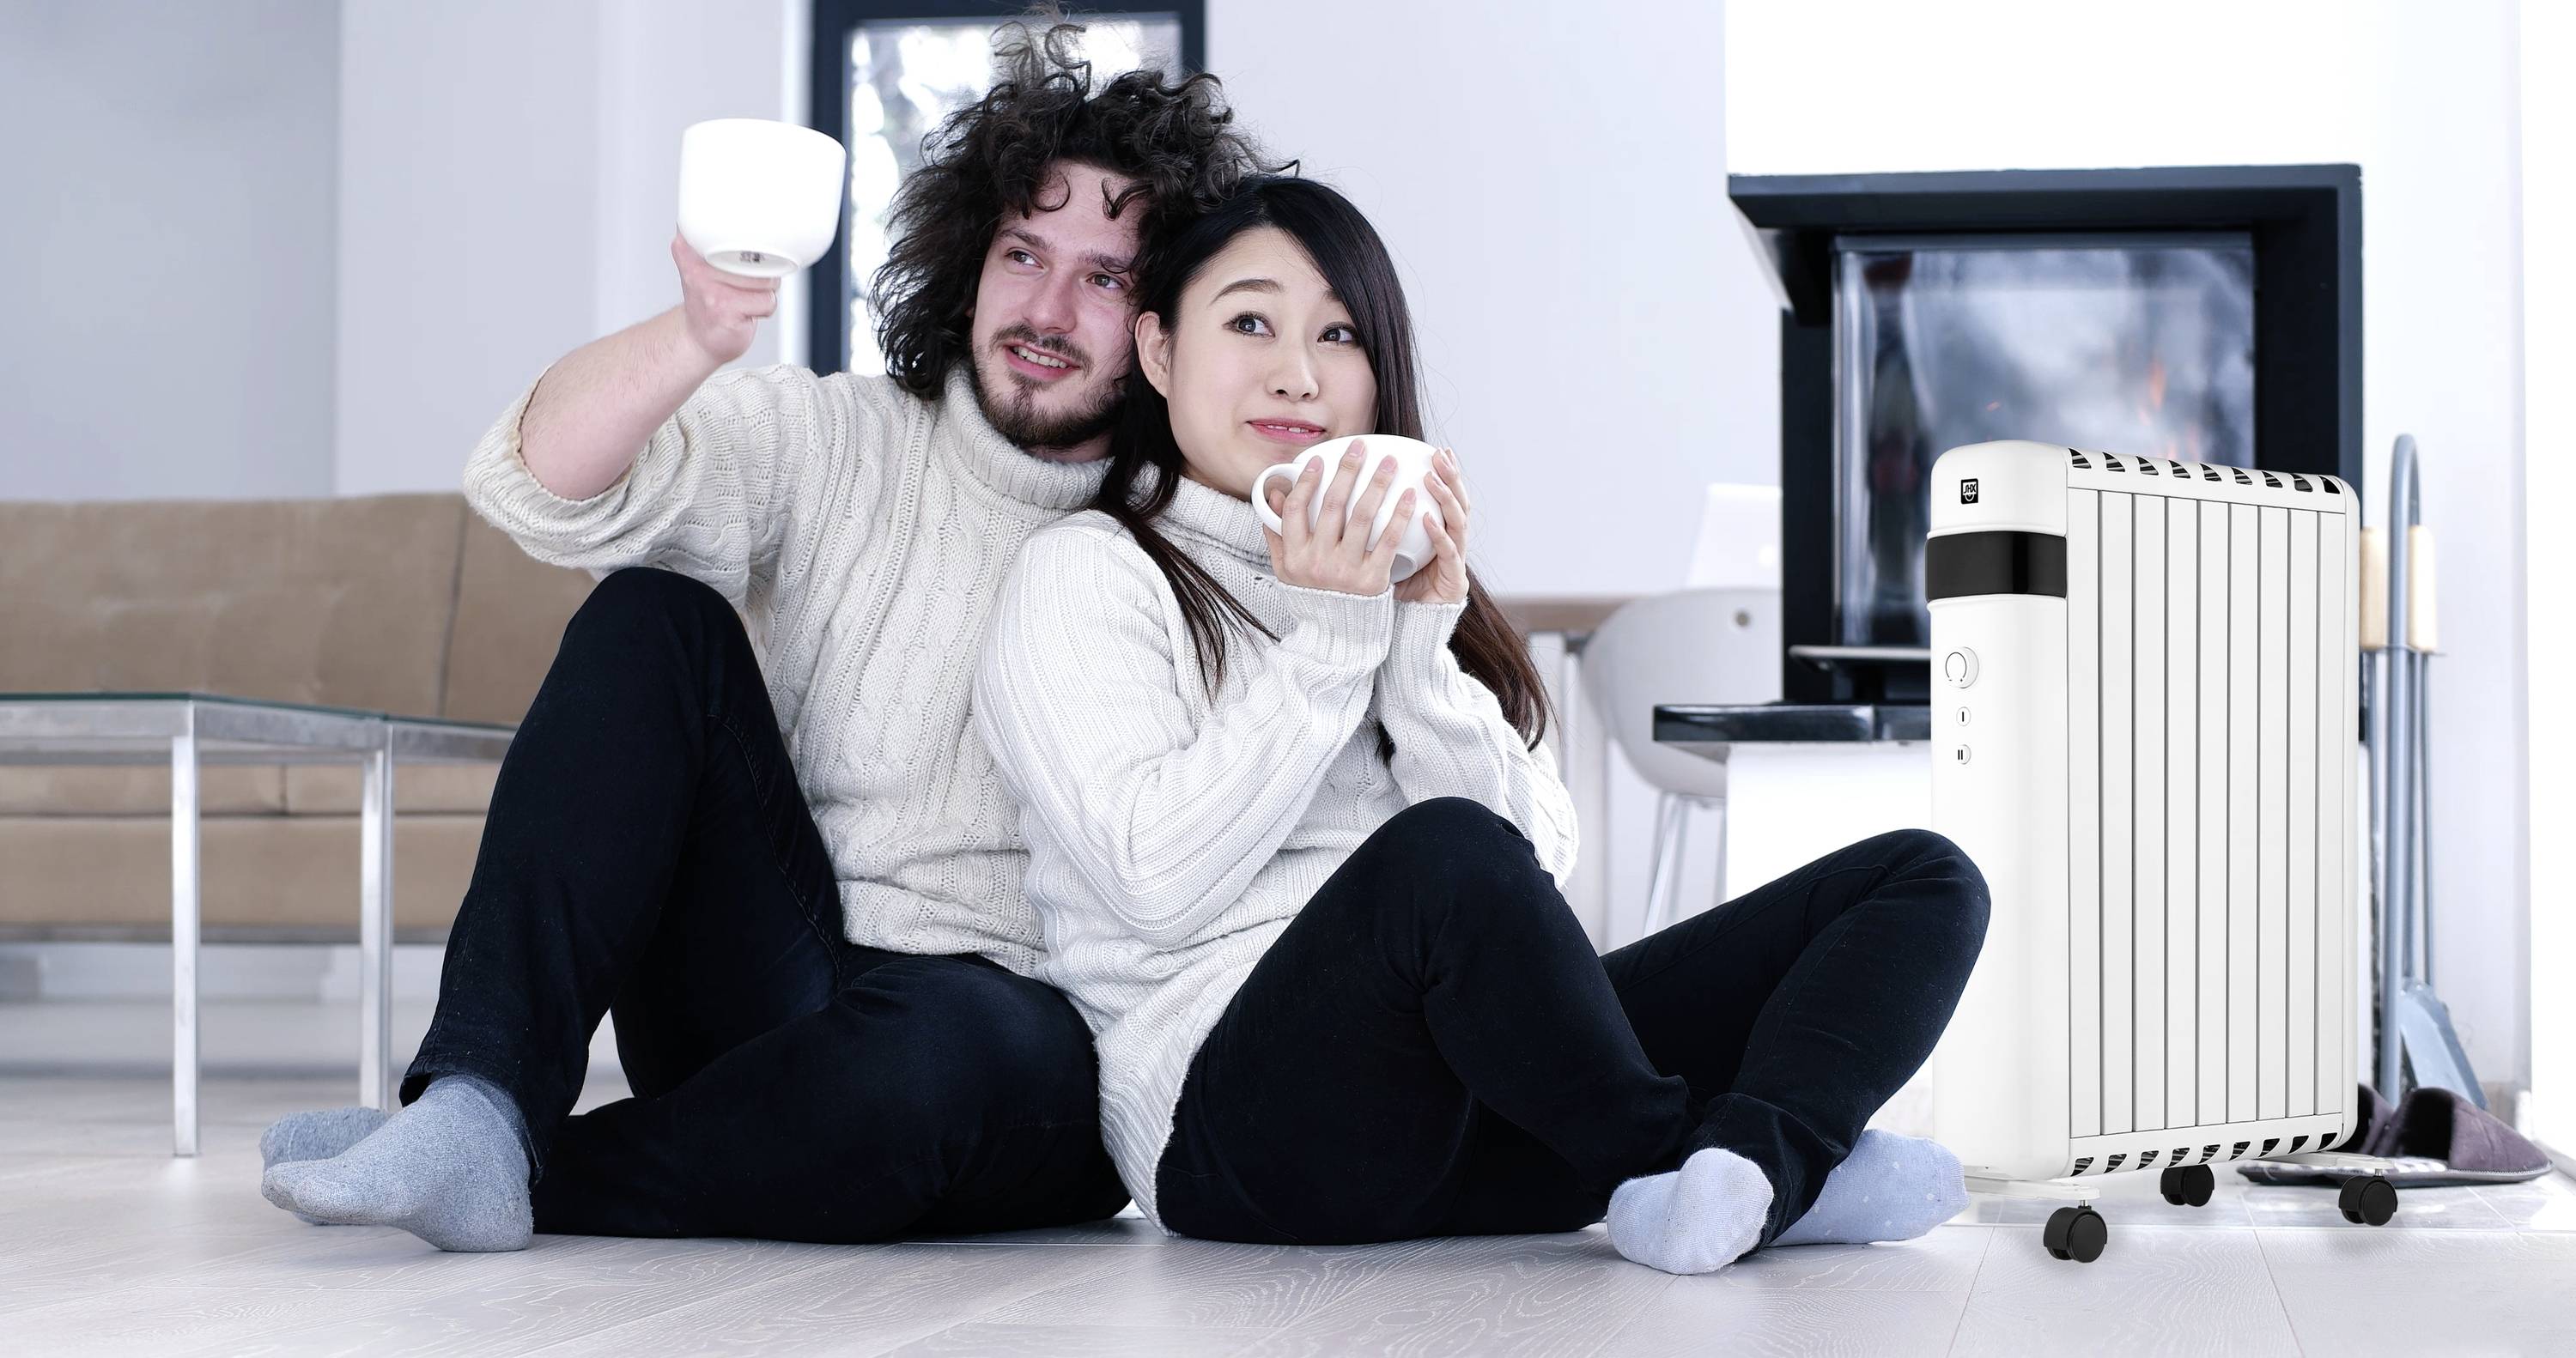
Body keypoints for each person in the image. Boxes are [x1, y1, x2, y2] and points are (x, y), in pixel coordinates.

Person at [255, 23, 1273, 1252]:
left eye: (1106, 277)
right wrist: (695, 337)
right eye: (1022, 253)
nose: (1047, 308)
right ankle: (479, 1102)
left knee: (965, 1046)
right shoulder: (841, 437)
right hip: (764, 986)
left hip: (1001, 1048)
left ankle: (520, 1162)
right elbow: (533, 483)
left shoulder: (1192, 540)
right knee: (653, 613)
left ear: (1165, 323)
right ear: (971, 259)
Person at [972, 176, 1993, 1275]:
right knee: (1440, 854)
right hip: (1244, 1136)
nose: (1298, 373)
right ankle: (1688, 1161)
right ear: (1161, 351)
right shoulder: (1084, 574)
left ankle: (1753, 1164)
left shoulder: (1396, 594)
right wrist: (1329, 641)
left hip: (1489, 1124)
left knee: (1922, 877)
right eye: (1251, 323)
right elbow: (1151, 879)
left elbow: (1530, 884)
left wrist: (1416, 645)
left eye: (1340, 335)